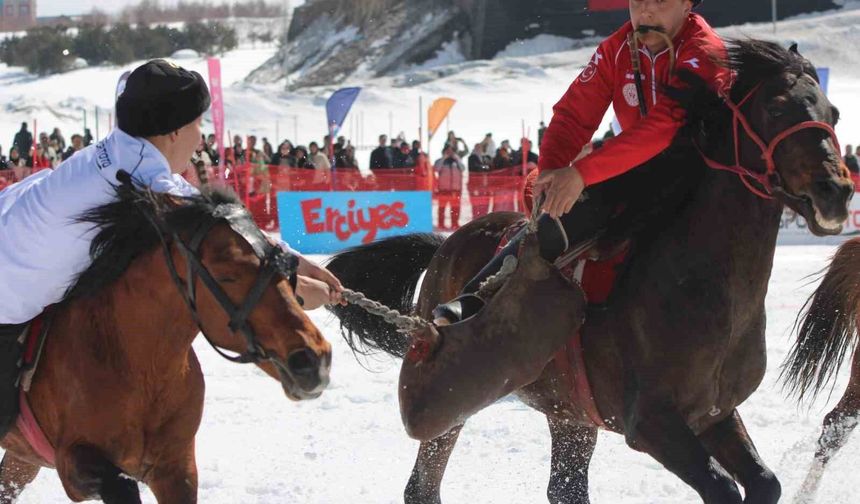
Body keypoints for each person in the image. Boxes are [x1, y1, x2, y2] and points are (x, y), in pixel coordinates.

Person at [0, 60, 345, 429]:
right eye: (198, 123)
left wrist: (301, 265)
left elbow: (222, 224)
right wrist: (296, 283)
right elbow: (221, 247)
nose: (201, 137)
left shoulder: (122, 148)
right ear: (175, 132)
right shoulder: (145, 182)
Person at [431, 0, 726, 325]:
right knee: (563, 212)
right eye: (637, 1)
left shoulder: (704, 50)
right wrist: (551, 171)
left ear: (687, 5)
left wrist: (581, 174)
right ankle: (477, 295)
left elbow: (665, 127)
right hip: (639, 173)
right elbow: (573, 116)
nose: (645, 11)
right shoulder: (616, 48)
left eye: (659, 1)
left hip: (704, 178)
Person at [434, 145, 464, 230]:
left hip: (455, 189)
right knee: (442, 208)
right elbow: (436, 169)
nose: (450, 153)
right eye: (448, 151)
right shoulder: (440, 161)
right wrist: (444, 158)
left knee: (455, 208)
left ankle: (455, 224)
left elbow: (463, 168)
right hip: (443, 189)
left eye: (451, 151)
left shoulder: (457, 161)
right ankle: (441, 224)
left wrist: (457, 158)